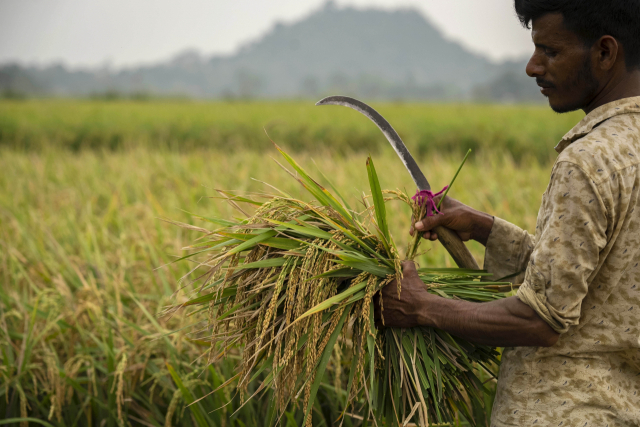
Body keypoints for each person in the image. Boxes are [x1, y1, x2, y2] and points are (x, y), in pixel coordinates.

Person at [376, 0, 640, 425]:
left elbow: (541, 319)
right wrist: (485, 229)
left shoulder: (588, 162)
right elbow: (590, 282)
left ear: (605, 53)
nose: (532, 67)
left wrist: (421, 307)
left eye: (550, 51)